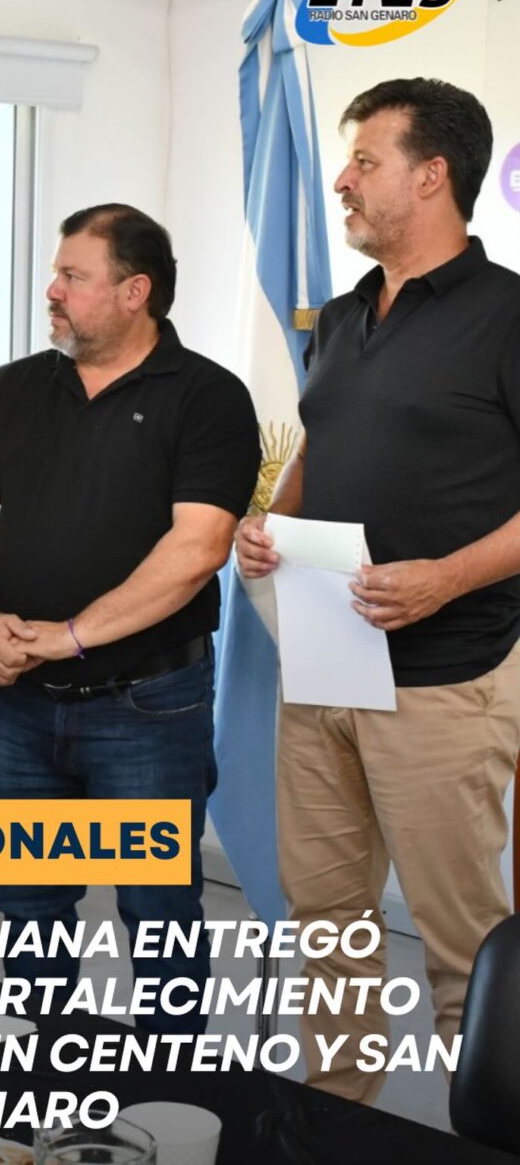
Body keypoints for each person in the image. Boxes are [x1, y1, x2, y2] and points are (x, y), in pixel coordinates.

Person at [236, 77, 520, 1102]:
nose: (342, 181)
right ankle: (337, 1122)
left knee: (462, 947)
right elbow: (321, 444)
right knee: (328, 927)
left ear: (432, 175)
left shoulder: (508, 315)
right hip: (323, 668)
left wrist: (447, 577)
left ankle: (488, 1135)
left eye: (364, 160)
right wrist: (272, 523)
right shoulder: (345, 314)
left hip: (446, 678)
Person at [0, 203, 259, 1031]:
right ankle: (43, 1071)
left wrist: (70, 636)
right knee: (28, 905)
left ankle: (174, 1089)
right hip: (20, 704)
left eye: (73, 276)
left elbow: (198, 548)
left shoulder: (209, 398)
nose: (52, 290)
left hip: (147, 707)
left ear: (134, 292)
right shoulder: (14, 388)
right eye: (57, 273)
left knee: (158, 911)